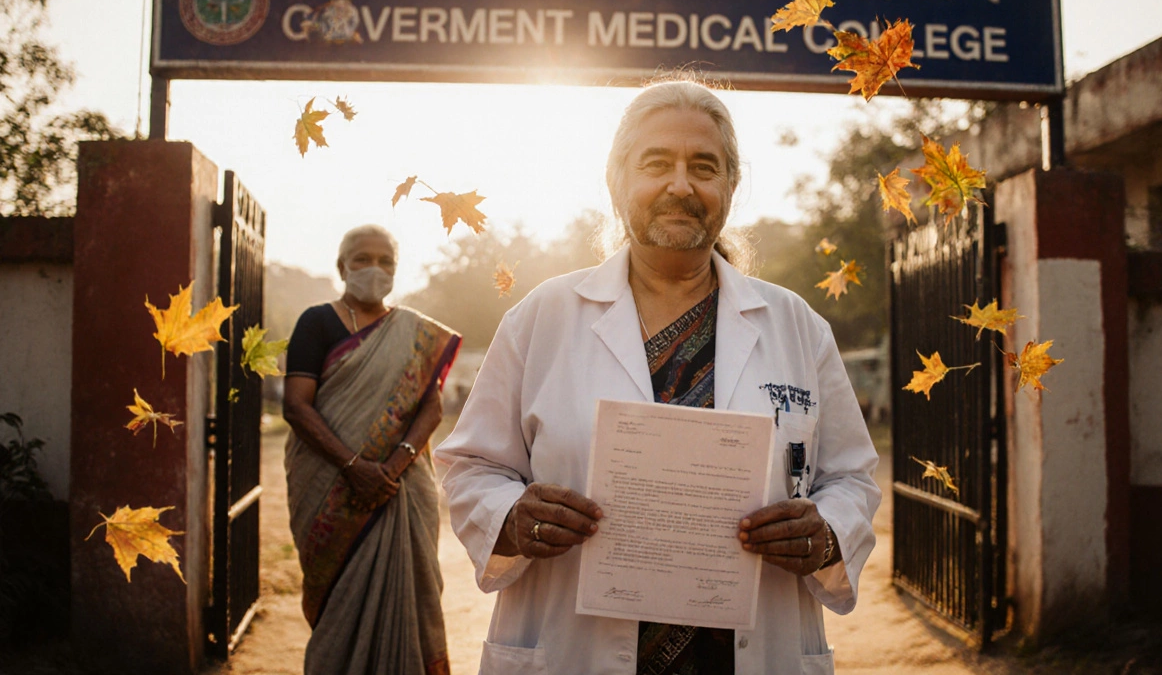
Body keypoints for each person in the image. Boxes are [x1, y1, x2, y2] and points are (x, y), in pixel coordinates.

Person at [434, 81, 881, 674]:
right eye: (656, 164)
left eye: (704, 166)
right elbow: (472, 467)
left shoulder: (795, 325)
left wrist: (824, 534)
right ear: (618, 181)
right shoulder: (543, 318)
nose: (680, 185)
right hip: (575, 647)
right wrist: (511, 518)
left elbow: (850, 477)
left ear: (730, 187)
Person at [283, 224, 460, 675]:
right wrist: (353, 466)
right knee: (337, 601)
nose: (374, 269)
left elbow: (432, 408)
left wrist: (393, 468)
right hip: (329, 488)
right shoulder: (316, 322)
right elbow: (297, 407)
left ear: (396, 271)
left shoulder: (416, 333)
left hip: (400, 489)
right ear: (342, 267)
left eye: (385, 261)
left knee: (414, 593)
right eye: (363, 259)